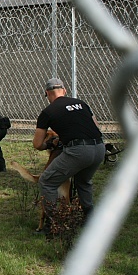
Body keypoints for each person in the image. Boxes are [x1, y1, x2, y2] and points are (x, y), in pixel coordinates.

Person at [32, 78, 105, 235]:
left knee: (47, 181)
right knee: (83, 181)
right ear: (64, 91)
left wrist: (50, 144)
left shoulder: (47, 112)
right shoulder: (82, 103)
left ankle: (54, 225)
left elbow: (37, 144)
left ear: (47, 94)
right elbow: (96, 127)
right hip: (99, 148)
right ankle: (90, 220)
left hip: (78, 151)